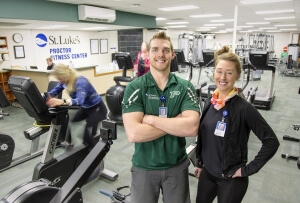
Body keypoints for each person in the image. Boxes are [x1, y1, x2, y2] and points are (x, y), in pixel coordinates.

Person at [122, 31, 200, 203]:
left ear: (172, 54)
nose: (160, 54)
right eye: (155, 49)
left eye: (165, 50)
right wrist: (176, 122)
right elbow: (134, 134)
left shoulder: (185, 87)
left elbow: (192, 127)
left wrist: (150, 120)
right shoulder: (135, 88)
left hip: (177, 167)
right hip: (144, 167)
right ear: (148, 54)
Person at [194, 46, 280, 203]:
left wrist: (248, 169)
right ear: (214, 73)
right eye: (219, 71)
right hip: (208, 172)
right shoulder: (211, 100)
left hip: (231, 179)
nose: (223, 77)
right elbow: (204, 136)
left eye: (229, 72)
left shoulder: (244, 108)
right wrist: (199, 162)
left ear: (237, 76)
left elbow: (271, 142)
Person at [46, 63, 108, 150]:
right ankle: (72, 143)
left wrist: (62, 101)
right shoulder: (64, 81)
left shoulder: (81, 81)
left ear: (65, 75)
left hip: (97, 109)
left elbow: (79, 101)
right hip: (85, 108)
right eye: (58, 79)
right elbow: (53, 92)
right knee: (73, 122)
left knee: (85, 132)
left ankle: (96, 152)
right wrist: (43, 97)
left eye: (60, 78)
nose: (60, 81)